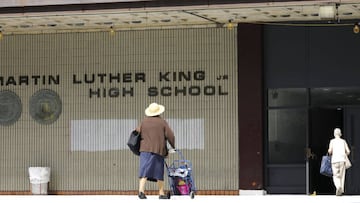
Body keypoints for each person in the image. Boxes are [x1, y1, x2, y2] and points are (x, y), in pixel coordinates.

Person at [135, 102, 175, 199]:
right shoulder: (162, 122)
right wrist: (172, 146)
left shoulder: (144, 122)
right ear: (159, 112)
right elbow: (170, 135)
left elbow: (137, 132)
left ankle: (141, 191)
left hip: (144, 149)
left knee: (144, 169)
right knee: (158, 171)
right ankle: (161, 193)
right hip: (158, 149)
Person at [327, 128, 351, 196]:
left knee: (335, 176)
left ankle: (338, 187)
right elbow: (348, 151)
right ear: (340, 134)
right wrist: (344, 154)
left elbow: (330, 151)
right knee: (342, 176)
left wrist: (330, 151)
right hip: (342, 160)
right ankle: (341, 190)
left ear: (334, 134)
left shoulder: (332, 141)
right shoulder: (343, 141)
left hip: (334, 160)